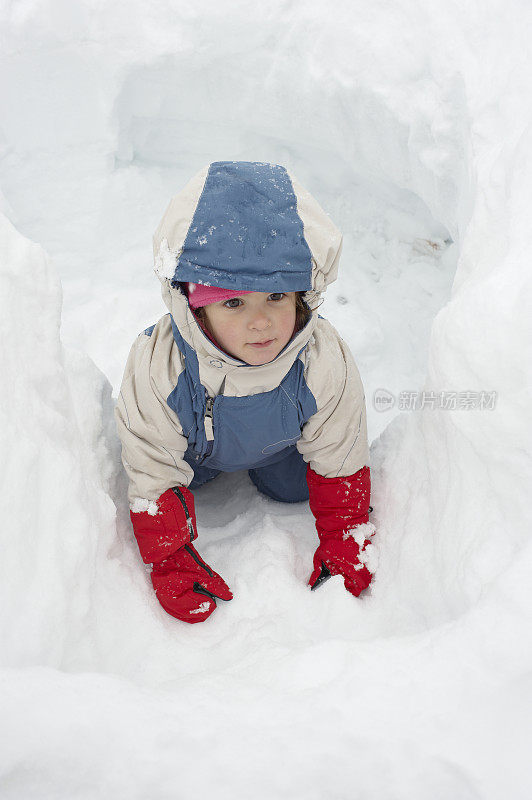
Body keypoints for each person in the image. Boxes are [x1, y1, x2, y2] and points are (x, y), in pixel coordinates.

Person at [115, 160, 376, 624]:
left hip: (280, 447)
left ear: (303, 295)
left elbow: (340, 447)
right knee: (192, 484)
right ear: (194, 305)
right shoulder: (162, 365)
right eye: (233, 302)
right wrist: (171, 556)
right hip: (195, 453)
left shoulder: (320, 358)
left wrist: (345, 535)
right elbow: (153, 465)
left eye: (276, 297)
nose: (261, 322)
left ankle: (272, 471)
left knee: (294, 490)